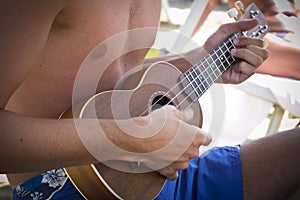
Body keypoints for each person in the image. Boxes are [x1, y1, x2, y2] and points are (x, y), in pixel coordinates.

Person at [0, 0, 299, 199]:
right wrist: (127, 139)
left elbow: (114, 76)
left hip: (153, 176)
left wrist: (204, 57)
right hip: (71, 188)